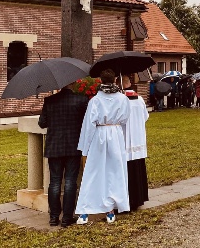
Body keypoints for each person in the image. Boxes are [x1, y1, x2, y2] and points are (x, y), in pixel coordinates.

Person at [75, 69, 131, 225]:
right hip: (116, 134)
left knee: (94, 171)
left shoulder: (95, 101)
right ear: (114, 81)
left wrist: (85, 149)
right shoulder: (122, 99)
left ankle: (85, 211)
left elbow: (88, 125)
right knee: (114, 172)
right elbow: (126, 119)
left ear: (100, 81)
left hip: (99, 134)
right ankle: (110, 210)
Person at [38, 82, 88, 227]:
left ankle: (53, 217)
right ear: (72, 83)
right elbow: (87, 122)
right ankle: (67, 217)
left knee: (54, 182)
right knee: (70, 182)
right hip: (73, 146)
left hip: (54, 146)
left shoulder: (50, 100)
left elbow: (42, 123)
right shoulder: (81, 100)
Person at [119, 76, 149, 211]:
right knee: (138, 168)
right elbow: (146, 117)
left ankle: (128, 199)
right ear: (130, 84)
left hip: (125, 139)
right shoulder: (140, 99)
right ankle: (139, 198)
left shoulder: (120, 99)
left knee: (127, 170)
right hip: (138, 138)